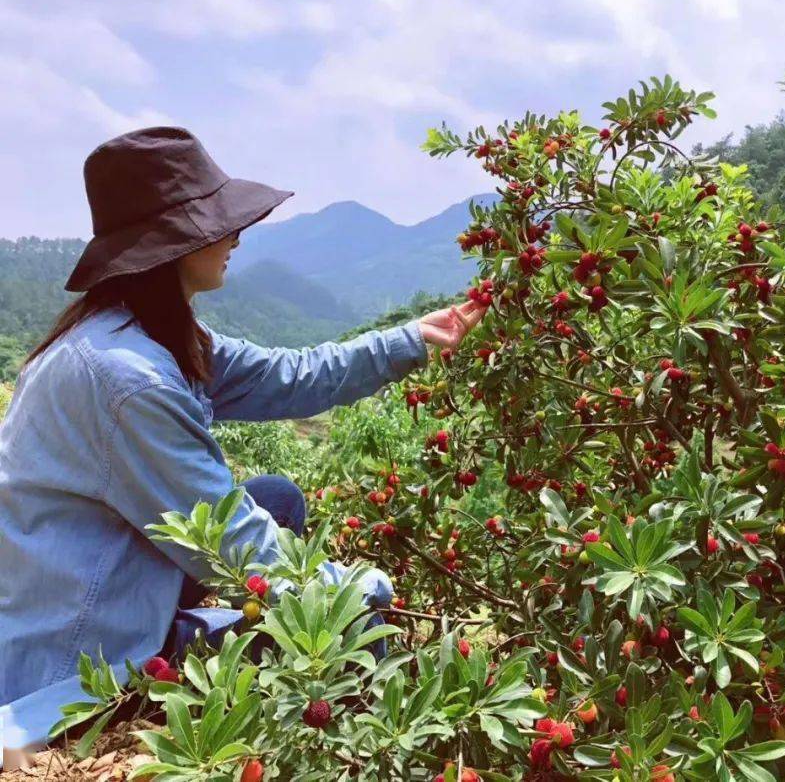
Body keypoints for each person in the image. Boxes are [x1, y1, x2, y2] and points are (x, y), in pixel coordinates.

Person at [0, 127, 487, 770]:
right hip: (81, 646)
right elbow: (233, 538)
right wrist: (361, 589)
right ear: (174, 246)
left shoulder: (153, 333)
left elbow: (292, 373)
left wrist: (416, 336)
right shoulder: (128, 379)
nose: (235, 237)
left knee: (278, 497)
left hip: (102, 569)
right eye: (220, 225)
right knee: (355, 629)